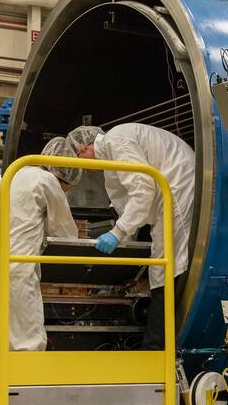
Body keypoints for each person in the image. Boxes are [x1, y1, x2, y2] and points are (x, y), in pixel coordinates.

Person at [66, 123, 194, 350]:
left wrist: (118, 233)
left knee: (165, 265)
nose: (85, 169)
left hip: (178, 186)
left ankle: (156, 347)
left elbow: (143, 190)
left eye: (79, 158)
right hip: (169, 188)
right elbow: (127, 201)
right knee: (162, 265)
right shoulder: (111, 156)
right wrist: (124, 235)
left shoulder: (116, 141)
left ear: (85, 147)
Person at [0, 137, 80, 379]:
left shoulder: (10, 176)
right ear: (65, 176)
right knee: (25, 357)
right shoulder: (48, 181)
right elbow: (67, 235)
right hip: (12, 276)